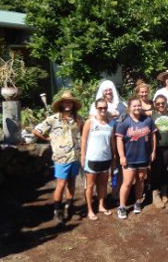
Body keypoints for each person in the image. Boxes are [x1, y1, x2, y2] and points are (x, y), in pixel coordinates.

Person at [33, 91, 84, 225]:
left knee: (72, 182)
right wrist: (48, 138)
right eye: (65, 102)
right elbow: (36, 130)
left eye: (70, 102)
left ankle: (69, 206)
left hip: (75, 156)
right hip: (61, 157)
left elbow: (83, 134)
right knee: (61, 184)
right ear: (61, 104)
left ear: (73, 104)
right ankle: (57, 210)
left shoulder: (79, 119)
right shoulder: (53, 119)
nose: (68, 104)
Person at [115, 97, 157, 219]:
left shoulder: (147, 120)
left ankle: (137, 202)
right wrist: (122, 156)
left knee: (140, 180)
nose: (137, 107)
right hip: (129, 158)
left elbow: (153, 135)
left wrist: (153, 151)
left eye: (139, 105)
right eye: (134, 106)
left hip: (143, 157)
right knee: (127, 183)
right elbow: (119, 140)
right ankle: (122, 207)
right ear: (129, 107)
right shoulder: (124, 122)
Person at [80, 98, 116, 220]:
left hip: (106, 159)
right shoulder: (90, 122)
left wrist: (114, 156)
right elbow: (83, 140)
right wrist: (82, 156)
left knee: (103, 184)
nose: (102, 110)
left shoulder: (111, 123)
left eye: (105, 108)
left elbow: (112, 142)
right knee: (90, 185)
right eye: (100, 108)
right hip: (92, 159)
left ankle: (101, 205)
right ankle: (90, 210)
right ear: (96, 108)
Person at [150, 94, 168, 208]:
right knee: (156, 170)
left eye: (163, 103)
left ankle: (164, 191)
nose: (161, 105)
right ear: (155, 105)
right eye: (158, 103)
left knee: (165, 169)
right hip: (156, 147)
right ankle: (155, 194)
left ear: (166, 103)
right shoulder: (152, 114)